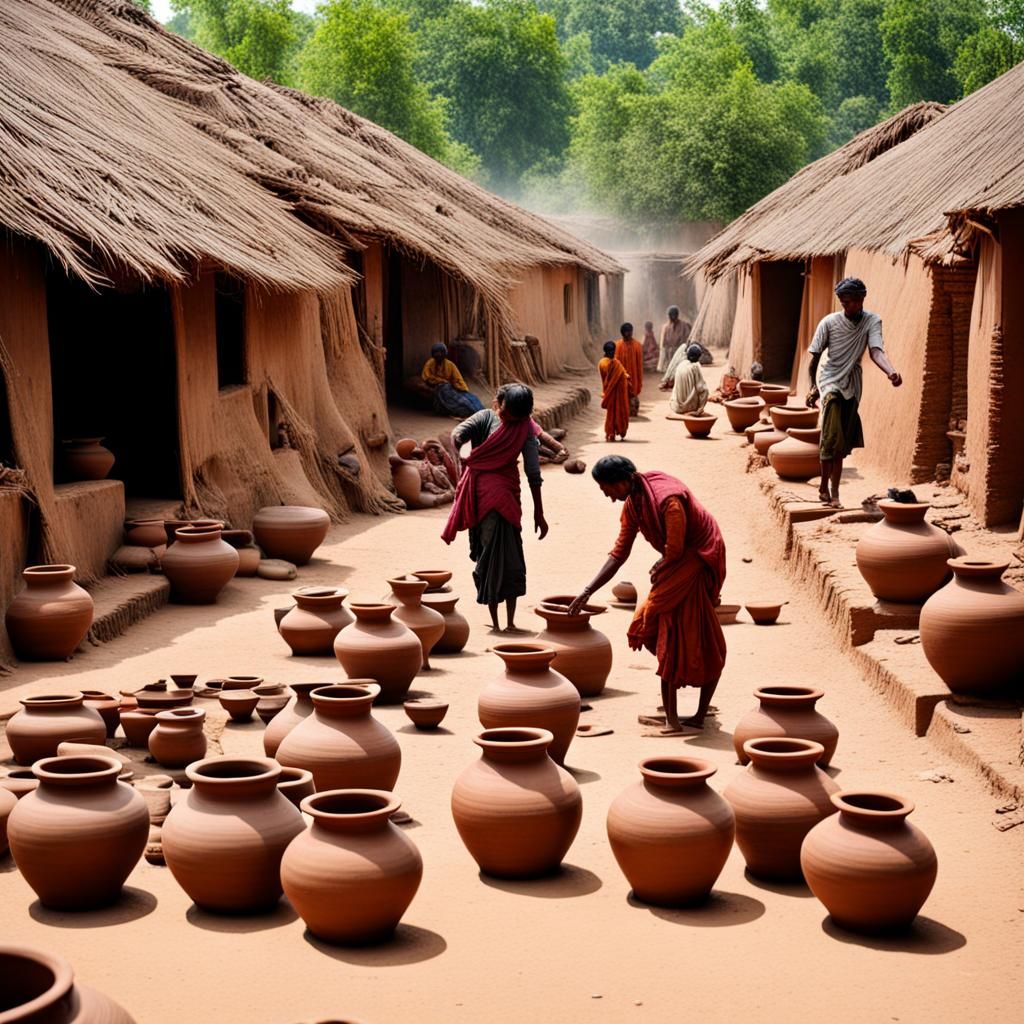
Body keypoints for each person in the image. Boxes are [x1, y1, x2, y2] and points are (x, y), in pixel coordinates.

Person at [567, 456, 726, 732]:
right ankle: (675, 713)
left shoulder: (667, 500)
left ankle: (683, 719)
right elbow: (619, 552)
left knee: (675, 631)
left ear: (623, 481)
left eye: (607, 489)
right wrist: (587, 591)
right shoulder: (633, 504)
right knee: (664, 631)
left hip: (697, 558)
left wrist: (663, 563)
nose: (607, 496)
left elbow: (675, 549)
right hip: (676, 562)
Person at [441, 383, 548, 631]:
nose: (505, 418)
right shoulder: (488, 416)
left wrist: (539, 512)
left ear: (522, 414)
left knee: (501, 554)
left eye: (512, 415)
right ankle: (501, 622)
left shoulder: (522, 427)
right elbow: (459, 434)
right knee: (498, 554)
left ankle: (505, 622)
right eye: (504, 411)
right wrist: (469, 455)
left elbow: (533, 472)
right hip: (488, 496)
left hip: (504, 496)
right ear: (498, 403)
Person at [806, 277, 902, 508]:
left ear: (861, 300)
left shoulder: (872, 321)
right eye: (842, 302)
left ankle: (834, 492)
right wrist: (813, 388)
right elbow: (815, 359)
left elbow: (876, 352)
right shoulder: (828, 323)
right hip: (830, 382)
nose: (845, 306)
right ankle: (824, 487)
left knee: (841, 444)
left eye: (849, 302)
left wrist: (891, 372)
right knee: (830, 437)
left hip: (853, 385)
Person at [421, 342, 485, 418]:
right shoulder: (430, 363)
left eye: (440, 353)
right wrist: (440, 381)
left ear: (444, 354)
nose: (438, 355)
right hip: (439, 388)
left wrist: (462, 389)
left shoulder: (450, 365)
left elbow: (458, 379)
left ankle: (479, 412)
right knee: (450, 395)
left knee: (470, 398)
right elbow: (426, 377)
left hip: (453, 387)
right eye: (436, 353)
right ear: (433, 354)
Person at [659, 343, 709, 415]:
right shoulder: (695, 367)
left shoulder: (680, 365)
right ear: (698, 357)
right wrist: (701, 407)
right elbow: (703, 389)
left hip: (676, 407)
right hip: (690, 408)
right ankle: (698, 410)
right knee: (704, 390)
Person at [599, 340, 631, 442]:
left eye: (613, 351)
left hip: (620, 392)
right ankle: (610, 432)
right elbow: (612, 374)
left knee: (621, 411)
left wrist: (625, 376)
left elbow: (622, 372)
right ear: (605, 352)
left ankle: (620, 430)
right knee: (612, 414)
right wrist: (623, 375)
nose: (612, 353)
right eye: (610, 351)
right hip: (611, 391)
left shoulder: (616, 362)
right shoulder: (604, 362)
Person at [615, 323, 644, 417]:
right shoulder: (617, 346)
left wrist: (639, 379)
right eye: (626, 332)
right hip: (621, 377)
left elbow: (639, 364)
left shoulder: (637, 346)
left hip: (633, 377)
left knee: (633, 401)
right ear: (622, 333)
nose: (628, 334)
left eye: (630, 332)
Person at [658, 306, 691, 373]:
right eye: (669, 316)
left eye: (671, 315)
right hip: (670, 355)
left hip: (680, 353)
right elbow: (663, 345)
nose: (669, 317)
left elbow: (687, 340)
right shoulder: (666, 327)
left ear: (676, 315)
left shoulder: (684, 326)